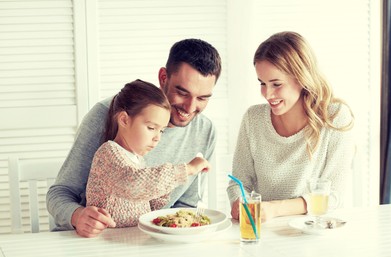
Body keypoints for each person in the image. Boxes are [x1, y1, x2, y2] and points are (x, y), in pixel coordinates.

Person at [47, 38, 221, 237]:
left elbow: (184, 207)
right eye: (182, 93)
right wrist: (77, 216)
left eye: (202, 98)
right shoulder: (107, 114)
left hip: (143, 241)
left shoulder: (205, 130)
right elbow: (59, 193)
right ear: (163, 77)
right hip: (88, 241)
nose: (190, 108)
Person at [227, 31, 354, 222]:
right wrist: (239, 201)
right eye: (262, 83)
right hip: (265, 229)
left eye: (276, 84)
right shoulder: (253, 119)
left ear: (301, 78)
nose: (267, 94)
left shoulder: (335, 117)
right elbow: (239, 182)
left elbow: (334, 196)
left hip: (313, 230)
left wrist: (275, 208)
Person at [85, 79, 210, 229]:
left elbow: (147, 205)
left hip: (134, 239)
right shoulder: (108, 153)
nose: (158, 137)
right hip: (108, 241)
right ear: (124, 120)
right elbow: (132, 185)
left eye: (161, 130)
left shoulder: (138, 160)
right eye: (151, 128)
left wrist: (163, 191)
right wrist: (186, 169)